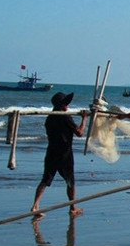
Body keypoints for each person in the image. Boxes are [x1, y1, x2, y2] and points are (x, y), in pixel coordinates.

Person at [31, 91, 88, 219]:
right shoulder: (65, 117)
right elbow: (79, 132)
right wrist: (84, 119)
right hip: (64, 153)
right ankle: (73, 207)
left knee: (45, 180)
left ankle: (35, 206)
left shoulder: (50, 118)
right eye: (66, 103)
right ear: (62, 105)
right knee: (70, 182)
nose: (68, 106)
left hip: (51, 151)